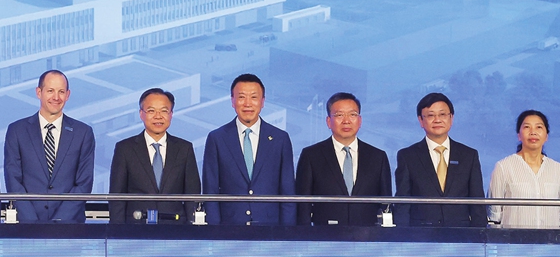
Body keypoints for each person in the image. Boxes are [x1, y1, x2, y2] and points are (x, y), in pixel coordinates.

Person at [202, 74, 296, 225]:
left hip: (270, 227)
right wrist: (215, 231)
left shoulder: (280, 139)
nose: (247, 104)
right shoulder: (217, 138)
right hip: (230, 226)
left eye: (253, 97)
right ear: (232, 101)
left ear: (262, 101)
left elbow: (288, 193)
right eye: (241, 97)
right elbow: (210, 192)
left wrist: (287, 233)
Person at [3, 70, 96, 223]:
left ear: (68, 95)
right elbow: (13, 180)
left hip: (70, 227)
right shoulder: (17, 131)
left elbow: (84, 183)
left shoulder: (83, 133)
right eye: (50, 91)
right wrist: (32, 222)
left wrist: (59, 222)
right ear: (39, 92)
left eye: (61, 92)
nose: (56, 97)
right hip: (27, 226)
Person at [295, 92, 392, 227]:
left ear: (360, 120)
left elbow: (386, 204)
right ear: (328, 121)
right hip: (324, 235)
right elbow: (302, 203)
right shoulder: (311, 155)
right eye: (339, 115)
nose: (346, 120)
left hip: (368, 237)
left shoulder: (378, 157)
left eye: (352, 115)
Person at [109, 88, 200, 224]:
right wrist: (118, 232)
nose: (158, 116)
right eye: (151, 111)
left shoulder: (184, 148)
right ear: (141, 114)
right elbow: (117, 196)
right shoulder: (125, 148)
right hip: (136, 227)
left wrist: (192, 228)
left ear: (171, 114)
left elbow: (192, 194)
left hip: (175, 227)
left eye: (164, 111)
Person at [394, 92, 486, 227]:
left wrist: (480, 235)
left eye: (443, 114)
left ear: (451, 118)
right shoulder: (407, 156)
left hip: (461, 235)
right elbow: (403, 203)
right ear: (421, 120)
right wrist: (402, 238)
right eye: (430, 115)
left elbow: (477, 202)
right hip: (421, 235)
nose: (437, 120)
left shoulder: (469, 155)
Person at [486, 110, 560, 229]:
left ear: (546, 136)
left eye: (539, 127)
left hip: (549, 244)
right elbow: (494, 213)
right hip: (513, 244)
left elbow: (558, 209)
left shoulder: (557, 169)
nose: (533, 132)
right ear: (519, 135)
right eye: (527, 127)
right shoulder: (504, 167)